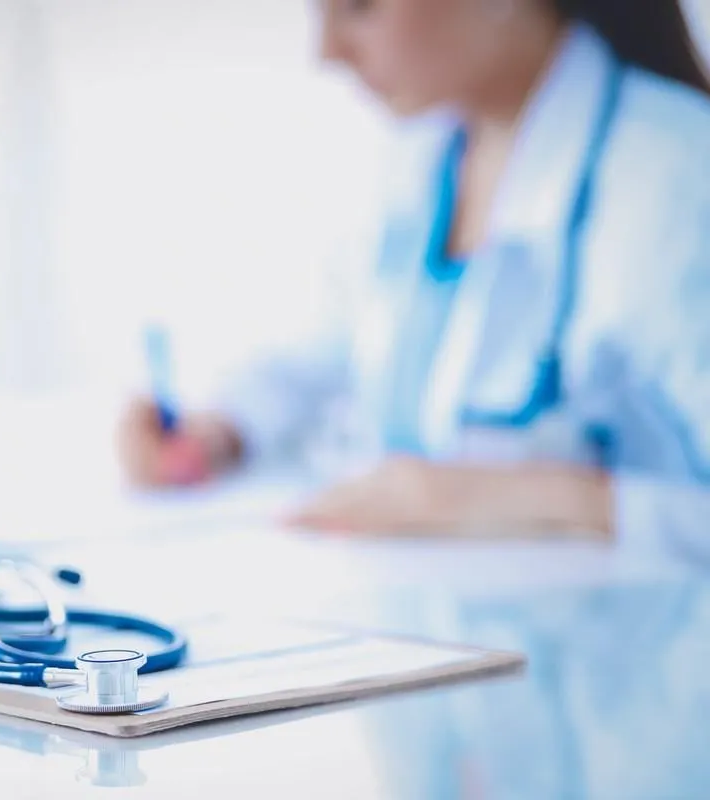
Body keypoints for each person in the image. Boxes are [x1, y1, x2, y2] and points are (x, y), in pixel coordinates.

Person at [120, 0, 710, 559]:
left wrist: (544, 499)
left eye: (360, 6)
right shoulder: (429, 149)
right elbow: (339, 346)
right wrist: (222, 429)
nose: (326, 51)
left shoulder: (678, 179)